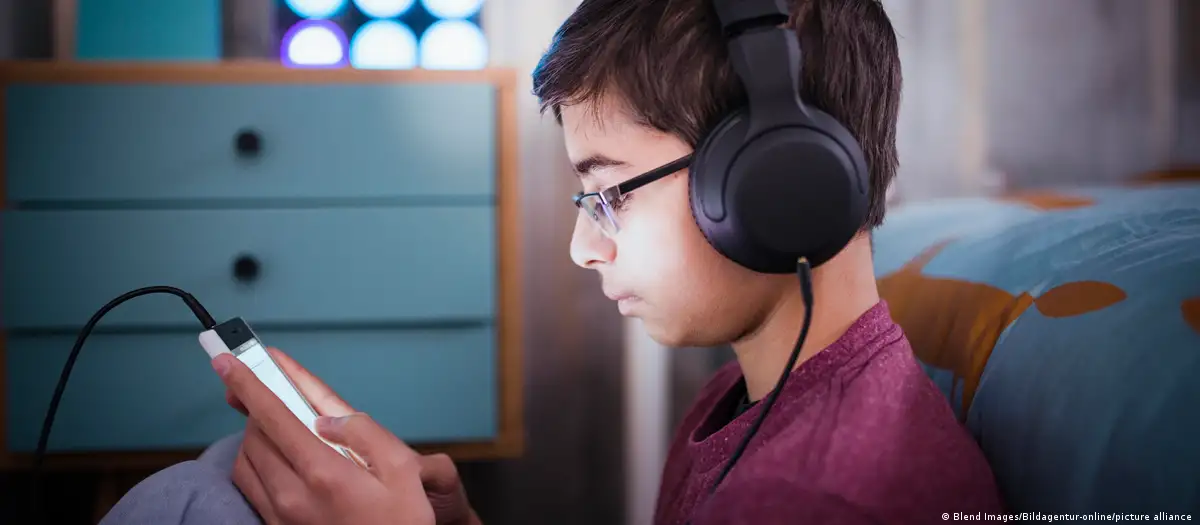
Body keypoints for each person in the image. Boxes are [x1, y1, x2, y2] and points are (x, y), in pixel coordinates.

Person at [100, 0, 1006, 523]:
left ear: (778, 182)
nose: (583, 245)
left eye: (609, 190)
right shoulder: (749, 397)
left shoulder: (815, 501)